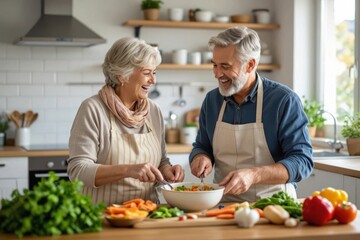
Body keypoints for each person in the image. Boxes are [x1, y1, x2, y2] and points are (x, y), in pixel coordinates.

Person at [189, 27, 313, 203]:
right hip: (224, 205)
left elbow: (302, 161)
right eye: (215, 65)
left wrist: (254, 175)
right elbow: (202, 145)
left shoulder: (283, 101)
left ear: (250, 64)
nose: (217, 74)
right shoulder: (212, 101)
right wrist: (201, 157)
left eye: (225, 66)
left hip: (274, 206)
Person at [67, 37, 184, 205]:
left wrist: (167, 170)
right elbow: (78, 170)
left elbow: (161, 160)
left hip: (147, 213)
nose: (153, 80)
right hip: (103, 215)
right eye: (146, 73)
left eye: (154, 72)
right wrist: (129, 170)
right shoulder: (93, 108)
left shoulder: (153, 111)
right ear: (122, 75)